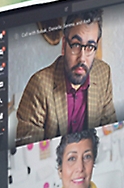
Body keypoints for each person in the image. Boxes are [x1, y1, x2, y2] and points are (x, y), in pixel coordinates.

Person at [15, 10, 116, 146]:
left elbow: (109, 131)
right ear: (64, 46)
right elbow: (31, 149)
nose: (82, 58)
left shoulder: (104, 73)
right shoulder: (39, 86)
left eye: (90, 47)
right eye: (75, 45)